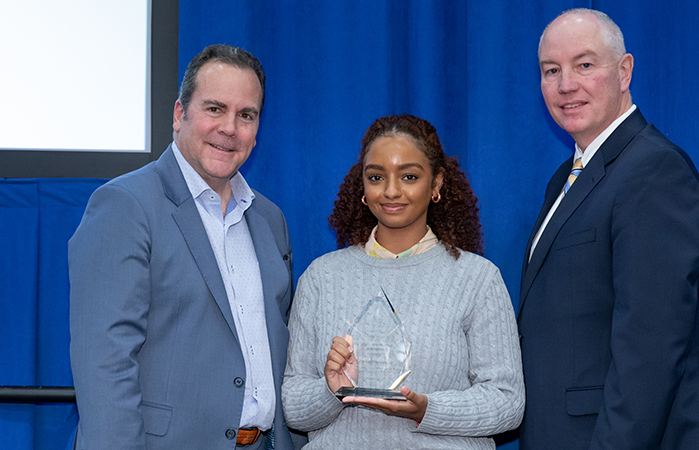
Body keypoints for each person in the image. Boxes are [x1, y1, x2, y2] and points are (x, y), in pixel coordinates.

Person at [69, 44, 303, 449]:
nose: (230, 128)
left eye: (246, 115)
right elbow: (104, 365)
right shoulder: (126, 206)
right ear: (180, 115)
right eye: (215, 109)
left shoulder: (270, 219)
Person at [517, 9, 699, 449]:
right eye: (551, 70)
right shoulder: (566, 177)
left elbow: (649, 353)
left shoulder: (654, 171)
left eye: (585, 65)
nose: (565, 84)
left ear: (625, 71)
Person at [281, 114, 524, 449]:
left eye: (409, 176)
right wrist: (334, 389)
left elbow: (508, 403)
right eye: (377, 177)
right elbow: (293, 409)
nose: (391, 191)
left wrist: (427, 410)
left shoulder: (477, 279)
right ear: (363, 186)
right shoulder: (321, 278)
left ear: (436, 183)